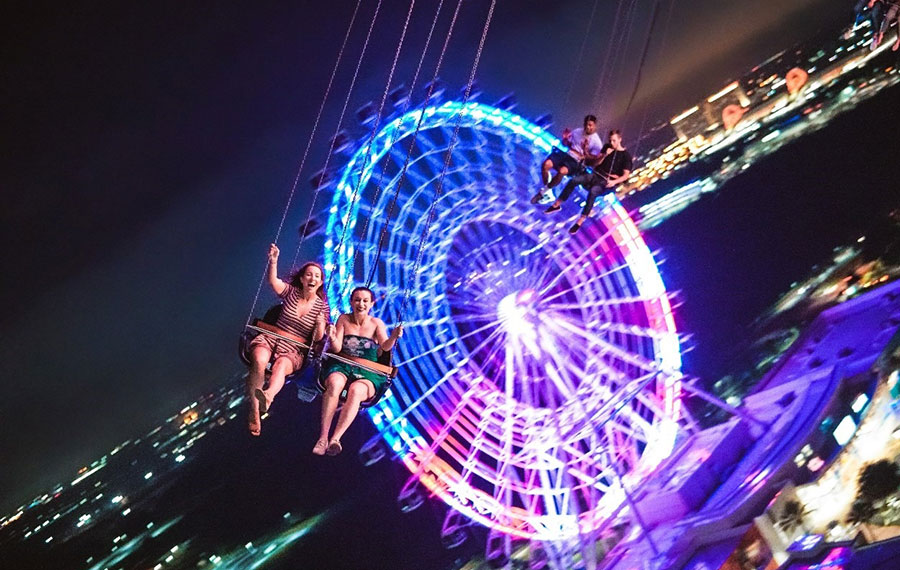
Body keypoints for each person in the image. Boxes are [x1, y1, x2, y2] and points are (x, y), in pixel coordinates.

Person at [246, 244, 329, 436]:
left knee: (281, 366)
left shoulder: (322, 308)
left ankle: (267, 397)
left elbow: (318, 339)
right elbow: (273, 281)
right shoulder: (292, 292)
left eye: (317, 276)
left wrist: (319, 325)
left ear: (321, 282)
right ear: (302, 278)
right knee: (258, 361)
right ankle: (254, 410)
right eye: (309, 274)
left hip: (294, 349)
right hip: (272, 337)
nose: (312, 278)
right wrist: (273, 261)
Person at [314, 286, 403, 456]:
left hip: (368, 370)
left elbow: (384, 347)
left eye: (365, 301)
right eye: (357, 300)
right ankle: (323, 438)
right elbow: (337, 347)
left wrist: (393, 337)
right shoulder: (343, 319)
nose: (361, 304)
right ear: (351, 302)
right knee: (334, 384)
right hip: (342, 365)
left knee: (356, 391)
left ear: (371, 304)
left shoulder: (376, 323)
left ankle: (335, 439)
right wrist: (332, 336)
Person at [544, 129, 633, 234]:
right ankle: (557, 204)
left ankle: (580, 221)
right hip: (595, 175)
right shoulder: (607, 148)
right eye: (610, 141)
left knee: (593, 192)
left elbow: (626, 175)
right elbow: (595, 163)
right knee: (574, 181)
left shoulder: (626, 156)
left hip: (606, 182)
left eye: (614, 141)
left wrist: (614, 182)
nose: (611, 143)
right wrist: (604, 155)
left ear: (619, 140)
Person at [530, 114, 604, 204]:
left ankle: (543, 192)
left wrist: (585, 151)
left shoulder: (597, 142)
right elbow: (566, 144)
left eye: (590, 125)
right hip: (567, 155)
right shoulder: (577, 131)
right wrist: (565, 139)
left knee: (562, 171)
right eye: (586, 125)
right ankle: (548, 193)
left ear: (595, 126)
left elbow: (593, 161)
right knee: (546, 164)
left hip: (577, 162)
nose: (588, 127)